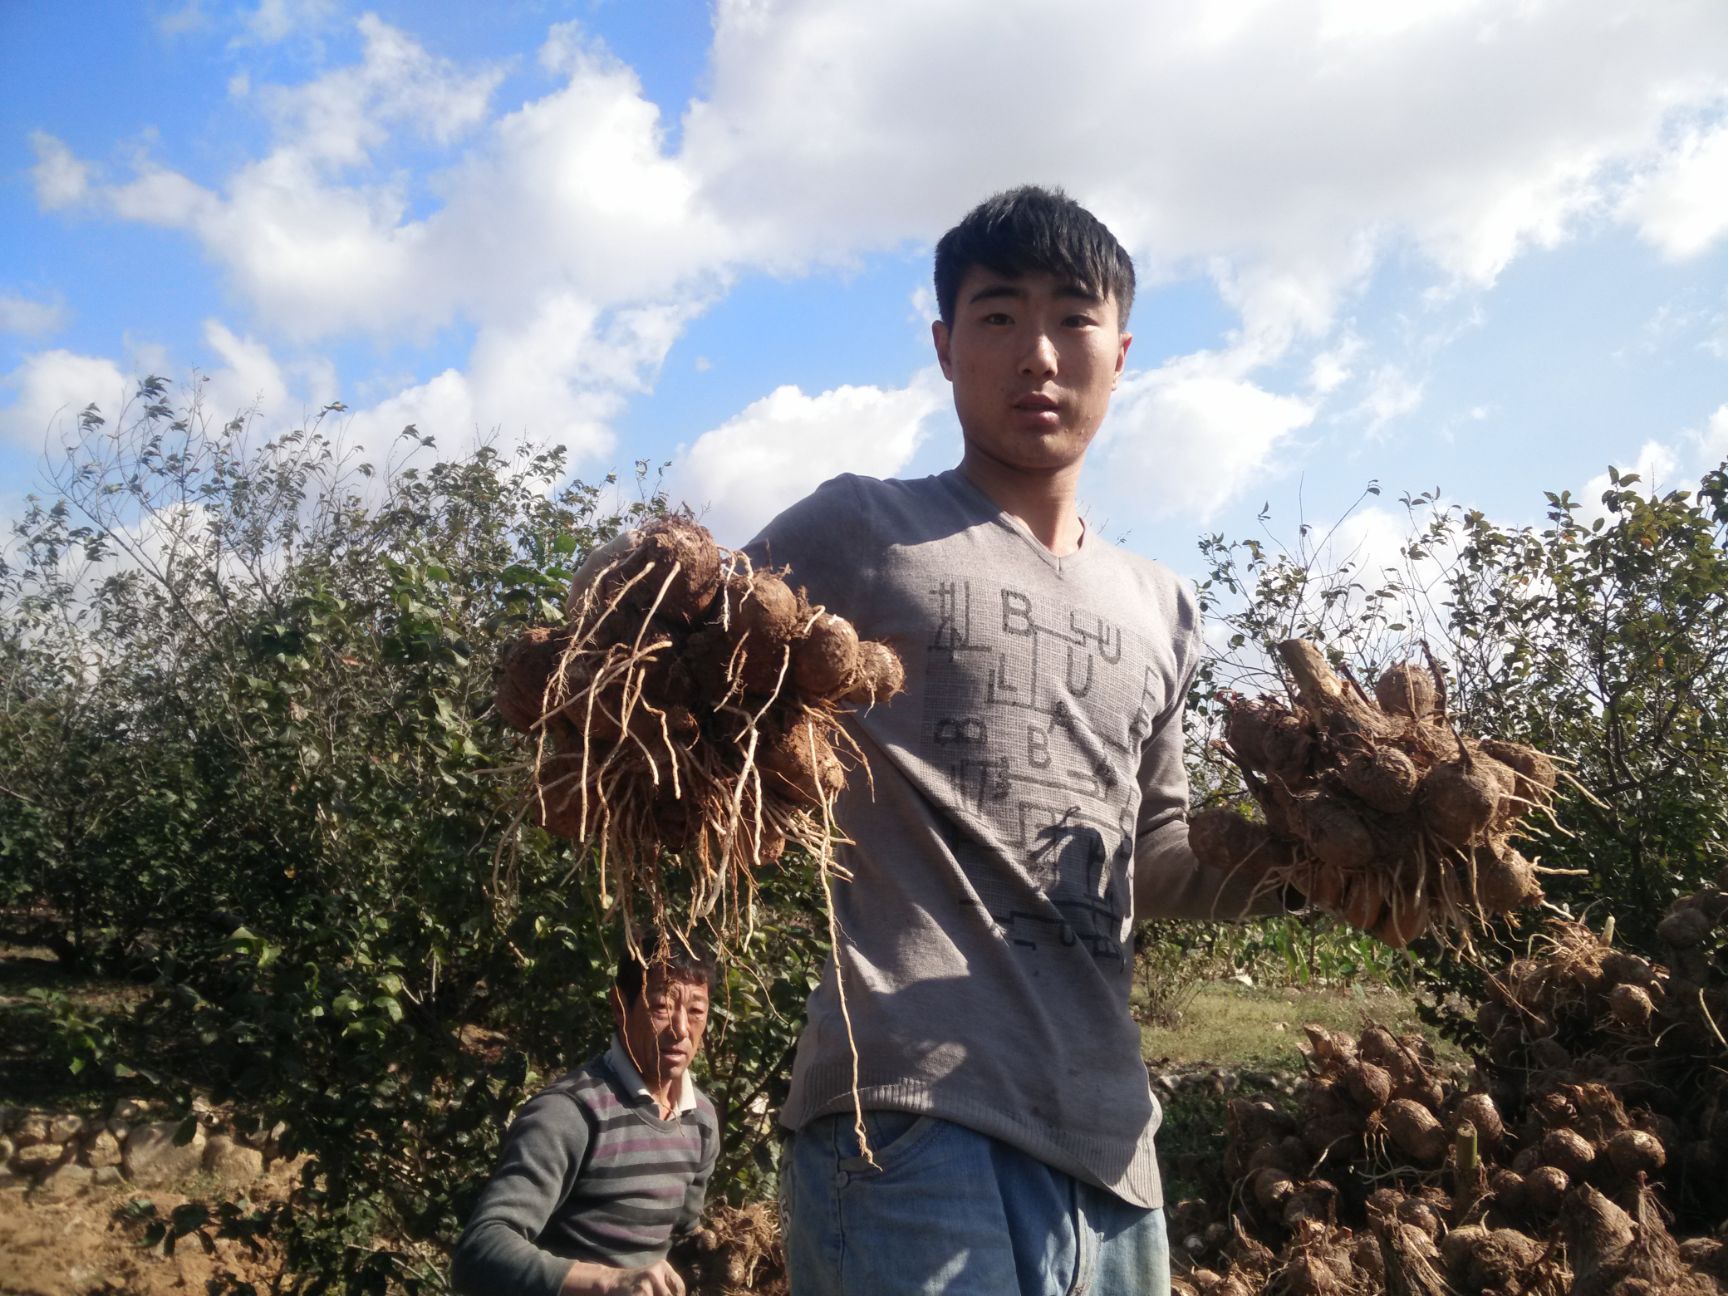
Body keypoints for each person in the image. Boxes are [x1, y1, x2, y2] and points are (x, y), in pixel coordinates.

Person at [747, 186, 1296, 1296]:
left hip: (1110, 1142)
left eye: (1071, 318)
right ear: (946, 348)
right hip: (905, 1122)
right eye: (997, 318)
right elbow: (675, 644)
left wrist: (1318, 864)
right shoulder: (862, 529)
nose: (1036, 354)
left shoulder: (1165, 604)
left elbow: (1161, 859)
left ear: (1122, 351)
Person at [451, 940, 719, 1296]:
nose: (681, 1028)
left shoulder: (699, 1120)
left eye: (696, 1011)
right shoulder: (569, 1114)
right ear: (620, 1007)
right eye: (661, 1007)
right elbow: (479, 1253)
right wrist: (610, 1282)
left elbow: (683, 1239)